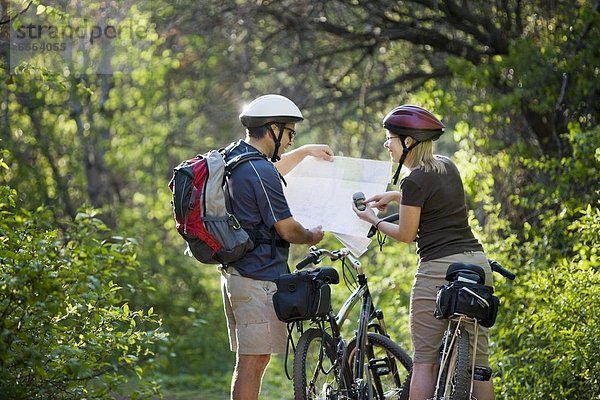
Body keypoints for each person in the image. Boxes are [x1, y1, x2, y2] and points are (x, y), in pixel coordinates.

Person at [352, 105, 495, 400]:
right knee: (479, 366)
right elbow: (432, 198)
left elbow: (406, 234)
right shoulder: (446, 166)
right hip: (477, 265)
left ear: (408, 142)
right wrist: (396, 196)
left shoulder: (414, 180)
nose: (386, 145)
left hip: (437, 271)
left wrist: (374, 220)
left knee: (425, 363)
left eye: (390, 138)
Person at [220, 94, 334, 400]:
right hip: (256, 278)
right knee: (254, 361)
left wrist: (306, 151)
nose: (289, 141)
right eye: (289, 134)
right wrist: (311, 235)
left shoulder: (237, 158)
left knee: (251, 359)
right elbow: (287, 228)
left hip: (238, 272)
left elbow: (273, 169)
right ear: (273, 129)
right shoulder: (260, 171)